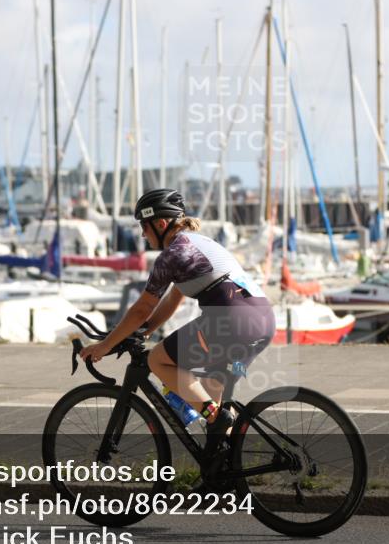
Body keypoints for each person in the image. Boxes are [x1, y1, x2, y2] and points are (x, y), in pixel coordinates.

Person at [79, 188, 275, 456]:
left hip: (231, 321)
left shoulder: (172, 255)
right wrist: (146, 331)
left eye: (144, 227)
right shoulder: (198, 243)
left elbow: (142, 307)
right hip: (262, 321)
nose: (142, 234)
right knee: (210, 390)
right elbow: (172, 300)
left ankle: (217, 419)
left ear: (160, 224)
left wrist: (104, 345)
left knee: (158, 361)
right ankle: (225, 472)